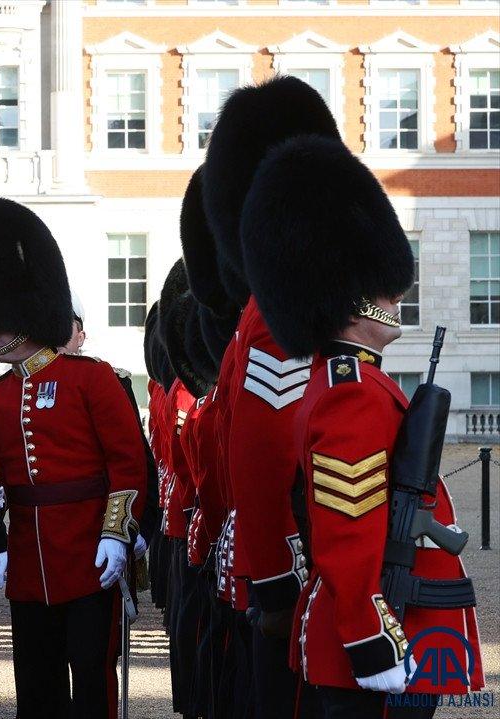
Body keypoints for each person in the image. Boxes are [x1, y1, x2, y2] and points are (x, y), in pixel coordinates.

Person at [241, 136, 483, 719]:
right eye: (382, 288)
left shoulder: (348, 381)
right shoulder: (352, 393)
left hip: (371, 617)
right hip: (370, 635)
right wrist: (369, 634)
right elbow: (346, 527)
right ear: (353, 301)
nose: (395, 297)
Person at [0, 197, 147, 718]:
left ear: (30, 317)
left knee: (91, 674)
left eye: (0, 325)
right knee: (34, 680)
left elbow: (127, 464)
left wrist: (115, 534)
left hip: (87, 552)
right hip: (27, 560)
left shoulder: (92, 378)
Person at [202, 76, 344, 717]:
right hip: (305, 566)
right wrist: (281, 585)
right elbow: (262, 464)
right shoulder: (272, 320)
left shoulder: (302, 309)